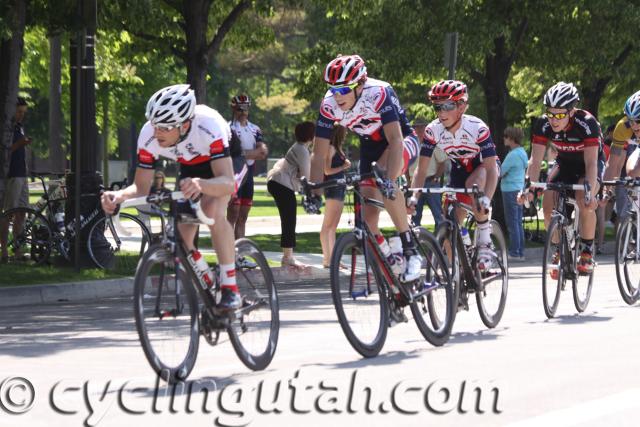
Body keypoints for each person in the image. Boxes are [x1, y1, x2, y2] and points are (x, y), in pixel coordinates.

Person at [100, 84, 241, 310]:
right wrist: (118, 196)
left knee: (211, 211)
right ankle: (209, 282)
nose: (157, 133)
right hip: (190, 165)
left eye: (165, 128)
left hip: (224, 164)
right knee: (181, 236)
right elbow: (141, 187)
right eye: (156, 126)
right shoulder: (148, 135)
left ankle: (230, 287)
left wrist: (202, 184)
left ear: (185, 124)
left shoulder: (209, 127)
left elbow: (227, 183)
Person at [309, 54, 423, 282]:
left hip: (400, 140)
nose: (336, 96)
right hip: (370, 147)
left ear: (360, 84)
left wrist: (390, 181)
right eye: (332, 89)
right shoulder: (329, 104)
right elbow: (319, 153)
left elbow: (395, 139)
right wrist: (314, 192)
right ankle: (390, 260)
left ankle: (410, 248)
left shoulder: (379, 93)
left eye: (343, 90)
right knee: (368, 221)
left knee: (383, 177)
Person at [410, 80, 500, 273]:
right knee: (449, 222)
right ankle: (458, 277)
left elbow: (492, 169)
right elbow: (421, 169)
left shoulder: (478, 128)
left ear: (462, 106)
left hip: (483, 165)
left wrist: (487, 198)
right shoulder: (432, 130)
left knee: (473, 187)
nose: (441, 112)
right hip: (459, 169)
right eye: (437, 107)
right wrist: (413, 197)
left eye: (447, 106)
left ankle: (484, 242)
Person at [521, 81, 602, 276]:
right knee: (547, 205)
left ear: (571, 111)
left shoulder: (587, 123)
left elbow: (591, 163)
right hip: (564, 164)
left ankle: (587, 251)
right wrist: (529, 189)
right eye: (550, 113)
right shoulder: (543, 124)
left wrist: (590, 192)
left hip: (588, 166)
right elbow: (535, 159)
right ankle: (558, 250)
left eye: (559, 115)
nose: (554, 120)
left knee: (585, 200)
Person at [267, 121, 314, 269]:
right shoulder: (302, 150)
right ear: (311, 136)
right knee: (289, 220)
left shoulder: (299, 147)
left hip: (277, 182)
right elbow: (306, 177)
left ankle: (288, 256)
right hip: (282, 184)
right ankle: (288, 258)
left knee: (288, 220)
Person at [226, 94, 268, 240]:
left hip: (249, 175)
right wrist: (252, 153)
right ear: (233, 109)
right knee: (233, 214)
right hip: (235, 174)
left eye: (245, 108)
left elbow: (262, 152)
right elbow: (231, 154)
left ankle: (240, 252)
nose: (243, 112)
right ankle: (228, 252)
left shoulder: (255, 129)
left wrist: (250, 152)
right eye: (239, 109)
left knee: (243, 216)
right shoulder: (228, 128)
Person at [0, 97, 32, 262]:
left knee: (22, 213)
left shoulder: (19, 127)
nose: (21, 115)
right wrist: (20, 144)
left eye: (23, 113)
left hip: (22, 174)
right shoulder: (7, 128)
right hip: (12, 175)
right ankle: (4, 250)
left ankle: (17, 251)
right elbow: (5, 152)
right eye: (19, 112)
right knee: (8, 214)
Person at [603, 90, 640, 224]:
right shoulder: (622, 127)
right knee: (632, 171)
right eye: (631, 120)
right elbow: (612, 163)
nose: (634, 125)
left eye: (638, 120)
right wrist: (606, 190)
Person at [320, 125, 350, 268]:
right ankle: (327, 259)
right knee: (327, 225)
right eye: (344, 132)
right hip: (333, 188)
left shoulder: (337, 148)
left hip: (340, 187)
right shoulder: (331, 148)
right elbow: (327, 170)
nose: (346, 134)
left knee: (333, 226)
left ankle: (333, 258)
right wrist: (343, 167)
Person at [410, 117, 447, 227]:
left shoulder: (432, 143)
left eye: (422, 127)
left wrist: (436, 177)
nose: (420, 129)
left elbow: (442, 162)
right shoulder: (412, 145)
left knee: (438, 215)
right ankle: (416, 241)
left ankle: (441, 240)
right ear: (414, 130)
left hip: (431, 182)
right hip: (415, 183)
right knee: (415, 214)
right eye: (417, 127)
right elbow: (407, 165)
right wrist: (408, 181)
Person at [501, 127, 527, 261]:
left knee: (512, 223)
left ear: (512, 138)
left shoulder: (512, 155)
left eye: (506, 136)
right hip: (519, 189)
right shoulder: (522, 153)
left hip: (510, 190)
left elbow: (500, 172)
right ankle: (520, 252)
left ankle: (514, 253)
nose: (504, 138)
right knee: (517, 223)